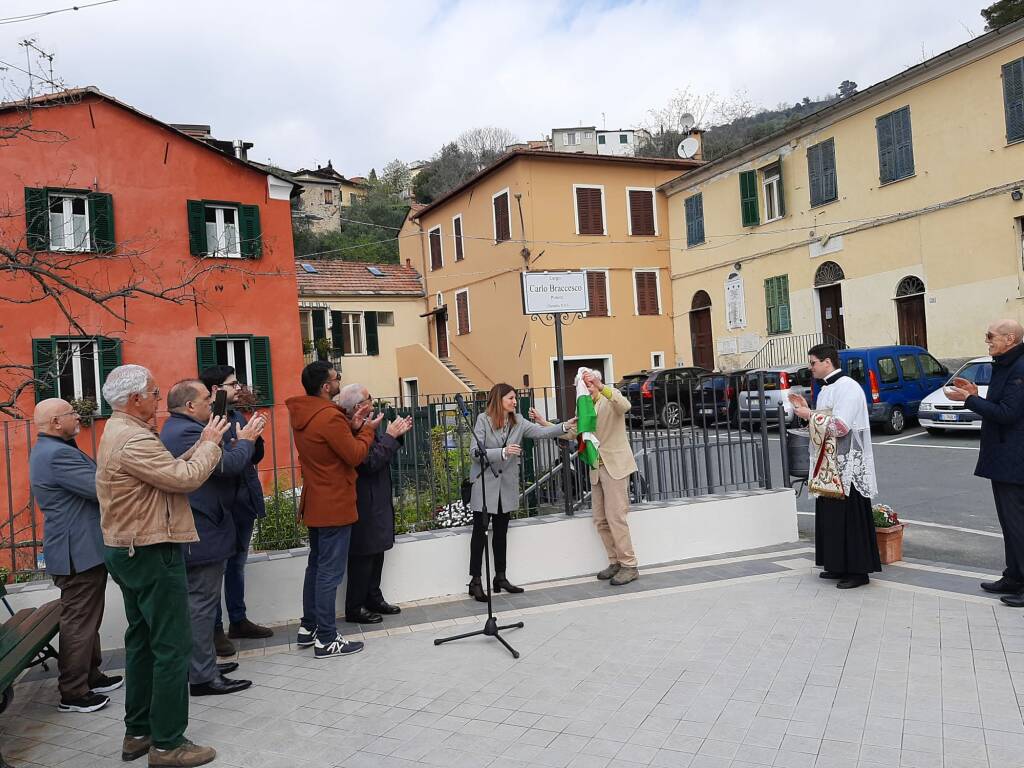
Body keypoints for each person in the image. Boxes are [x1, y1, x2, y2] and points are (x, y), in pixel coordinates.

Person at [96, 364, 228, 767]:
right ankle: (168, 744)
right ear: (135, 399)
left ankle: (138, 732)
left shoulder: (118, 431)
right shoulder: (132, 438)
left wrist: (197, 447)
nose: (159, 400)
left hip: (129, 548)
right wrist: (209, 444)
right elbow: (183, 479)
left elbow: (162, 474)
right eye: (154, 393)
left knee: (141, 642)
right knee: (172, 646)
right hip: (151, 549)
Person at [160, 380, 264, 697]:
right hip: (200, 529)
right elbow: (229, 464)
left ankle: (202, 666)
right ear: (190, 405)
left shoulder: (191, 427)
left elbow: (236, 455)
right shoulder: (185, 433)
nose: (213, 401)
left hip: (206, 524)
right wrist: (245, 439)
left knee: (201, 604)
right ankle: (203, 677)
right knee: (201, 606)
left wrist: (246, 439)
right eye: (207, 397)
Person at [29, 398, 122, 714]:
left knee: (87, 618)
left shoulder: (54, 449)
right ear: (56, 422)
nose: (78, 416)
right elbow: (100, 489)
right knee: (80, 621)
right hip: (77, 553)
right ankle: (73, 692)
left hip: (80, 549)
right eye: (71, 412)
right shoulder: (57, 455)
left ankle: (90, 675)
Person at [286, 361, 380, 658]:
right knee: (329, 572)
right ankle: (326, 638)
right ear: (326, 387)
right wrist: (366, 430)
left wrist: (350, 426)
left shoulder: (305, 413)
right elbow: (353, 456)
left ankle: (309, 626)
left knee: (316, 567)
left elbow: (328, 448)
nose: (339, 380)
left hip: (316, 500)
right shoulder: (329, 417)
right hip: (335, 502)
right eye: (336, 378)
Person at [467, 383, 574, 601]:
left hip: (505, 485)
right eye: (511, 398)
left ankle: (500, 577)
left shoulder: (518, 421)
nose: (515, 402)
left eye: (515, 398)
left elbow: (542, 432)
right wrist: (503, 452)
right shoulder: (482, 420)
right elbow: (474, 452)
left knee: (501, 533)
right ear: (499, 400)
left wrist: (564, 427)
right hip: (485, 485)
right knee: (479, 534)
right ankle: (475, 581)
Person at [789, 344, 881, 589]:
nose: (811, 368)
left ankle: (858, 571)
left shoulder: (848, 387)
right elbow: (824, 422)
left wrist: (809, 415)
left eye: (813, 363)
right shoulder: (825, 389)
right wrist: (806, 410)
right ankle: (836, 564)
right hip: (828, 462)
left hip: (848, 461)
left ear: (827, 362)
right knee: (831, 516)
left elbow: (840, 427)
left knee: (850, 516)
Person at [946, 319, 1024, 605]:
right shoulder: (1006, 364)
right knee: (1009, 523)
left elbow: (1007, 414)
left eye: (991, 336)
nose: (987, 341)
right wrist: (977, 395)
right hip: (1005, 458)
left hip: (1014, 460)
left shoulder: (1019, 368)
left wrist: (970, 400)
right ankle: (1014, 576)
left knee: (1018, 524)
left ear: (1010, 338)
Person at [199, 365, 273, 657]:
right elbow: (223, 462)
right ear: (216, 390)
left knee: (238, 564)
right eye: (233, 384)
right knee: (217, 567)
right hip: (222, 507)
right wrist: (243, 442)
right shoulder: (209, 422)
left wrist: (255, 437)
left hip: (244, 501)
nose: (238, 387)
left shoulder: (237, 416)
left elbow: (252, 456)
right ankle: (215, 629)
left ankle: (238, 620)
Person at [554, 369, 641, 586]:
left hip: (616, 467)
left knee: (616, 518)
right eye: (584, 385)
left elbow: (625, 406)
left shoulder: (609, 399)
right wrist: (544, 425)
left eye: (590, 383)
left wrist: (602, 387)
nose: (588, 387)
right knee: (601, 520)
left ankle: (629, 565)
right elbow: (573, 433)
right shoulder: (584, 406)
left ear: (598, 382)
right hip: (597, 468)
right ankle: (615, 562)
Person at [337, 384, 413, 624]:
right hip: (362, 499)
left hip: (377, 495)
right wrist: (390, 436)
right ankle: (355, 606)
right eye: (370, 397)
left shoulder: (367, 423)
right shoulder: (349, 430)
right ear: (359, 406)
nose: (374, 400)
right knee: (363, 553)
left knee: (377, 549)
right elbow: (368, 462)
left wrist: (395, 435)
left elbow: (382, 451)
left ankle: (373, 597)